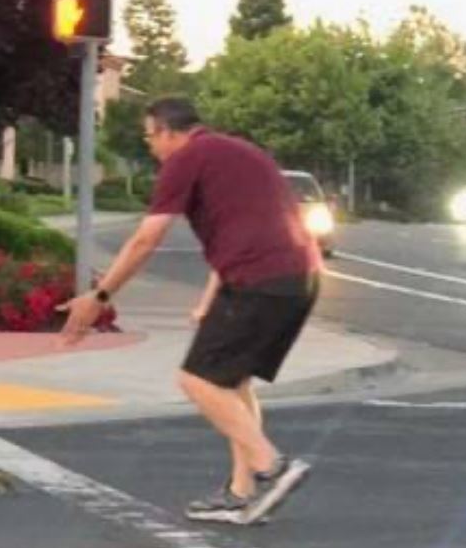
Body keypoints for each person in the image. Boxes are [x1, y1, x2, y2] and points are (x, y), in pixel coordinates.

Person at [58, 97, 321, 525]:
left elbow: (147, 239)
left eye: (149, 137)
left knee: (196, 379)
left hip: (259, 281)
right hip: (298, 279)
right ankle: (242, 493)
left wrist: (100, 296)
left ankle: (273, 468)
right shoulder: (242, 152)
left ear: (166, 131)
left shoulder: (186, 158)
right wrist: (210, 297)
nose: (150, 147)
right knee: (231, 381)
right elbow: (249, 227)